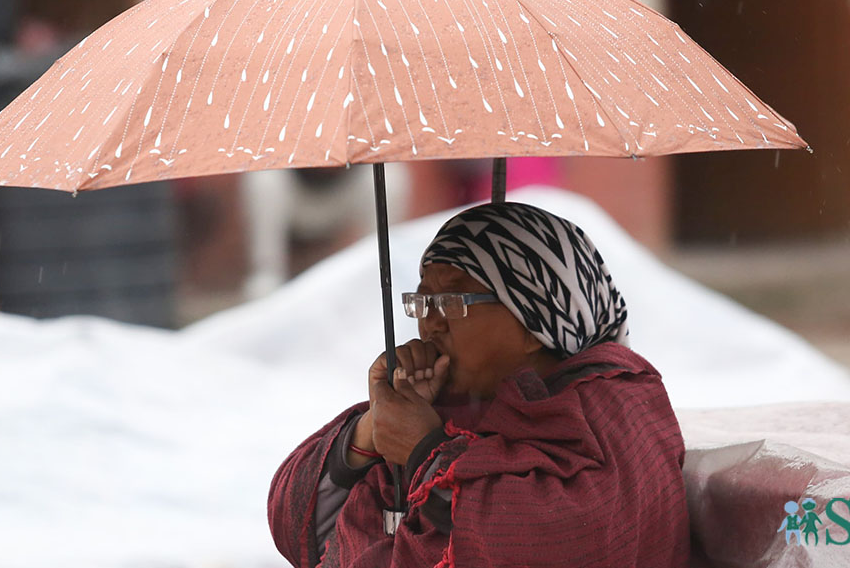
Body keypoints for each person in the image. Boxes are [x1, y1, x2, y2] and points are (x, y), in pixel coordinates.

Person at [268, 202, 690, 567]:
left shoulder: (615, 407)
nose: (431, 323)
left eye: (453, 302)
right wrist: (373, 430)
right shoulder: (451, 407)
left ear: (533, 322)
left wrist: (423, 451)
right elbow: (299, 528)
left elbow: (555, 542)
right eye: (423, 301)